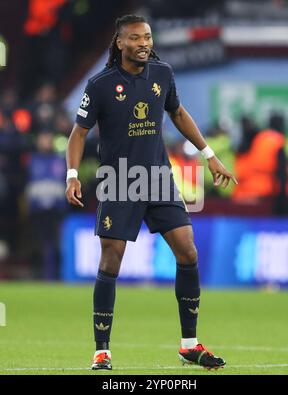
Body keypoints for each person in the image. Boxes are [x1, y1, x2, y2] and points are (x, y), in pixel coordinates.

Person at [65, 14, 237, 371]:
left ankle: (189, 345)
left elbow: (178, 113)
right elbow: (78, 133)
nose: (144, 43)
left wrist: (210, 156)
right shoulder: (99, 85)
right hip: (119, 179)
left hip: (158, 177)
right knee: (111, 261)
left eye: (147, 37)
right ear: (120, 43)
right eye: (135, 38)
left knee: (188, 252)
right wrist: (71, 175)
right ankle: (102, 350)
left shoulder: (163, 74)